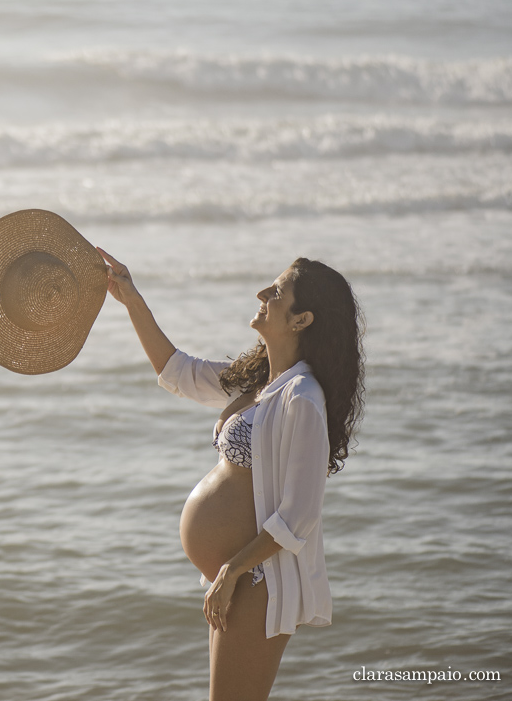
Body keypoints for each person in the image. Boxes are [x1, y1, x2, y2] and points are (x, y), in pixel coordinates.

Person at [96, 248, 364, 701]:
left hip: (257, 581)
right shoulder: (259, 381)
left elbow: (299, 515)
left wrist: (232, 572)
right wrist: (131, 298)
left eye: (277, 291)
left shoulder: (303, 397)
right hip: (236, 581)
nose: (262, 293)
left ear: (302, 320)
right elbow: (177, 371)